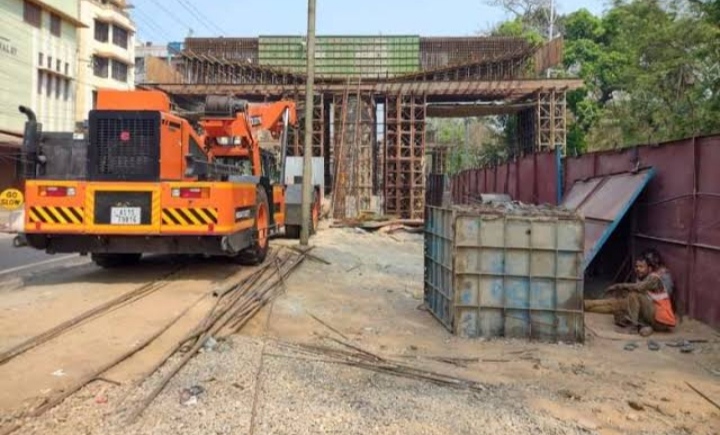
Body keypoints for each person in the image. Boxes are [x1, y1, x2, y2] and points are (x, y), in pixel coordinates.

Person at [606, 253, 676, 337]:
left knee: (634, 294)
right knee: (619, 315)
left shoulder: (654, 278)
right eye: (637, 266)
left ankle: (633, 328)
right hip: (654, 316)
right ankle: (645, 327)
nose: (638, 269)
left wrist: (619, 286)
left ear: (649, 269)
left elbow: (638, 288)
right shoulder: (643, 279)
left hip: (661, 319)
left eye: (641, 267)